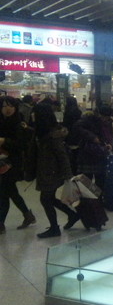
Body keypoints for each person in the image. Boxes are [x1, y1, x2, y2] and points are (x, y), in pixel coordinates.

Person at [28, 103, 80, 238]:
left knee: (45, 199)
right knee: (48, 199)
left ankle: (55, 228)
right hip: (47, 171)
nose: (32, 115)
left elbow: (62, 155)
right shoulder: (42, 131)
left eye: (35, 113)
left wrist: (68, 175)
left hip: (51, 172)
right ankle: (71, 215)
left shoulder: (52, 135)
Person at [0, 96, 36, 234]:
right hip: (2, 162)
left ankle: (1, 223)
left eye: (10, 106)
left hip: (13, 164)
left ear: (15, 107)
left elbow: (21, 145)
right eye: (4, 106)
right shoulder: (2, 122)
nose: (7, 109)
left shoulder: (19, 124)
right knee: (11, 192)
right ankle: (27, 215)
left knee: (4, 193)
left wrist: (4, 141)